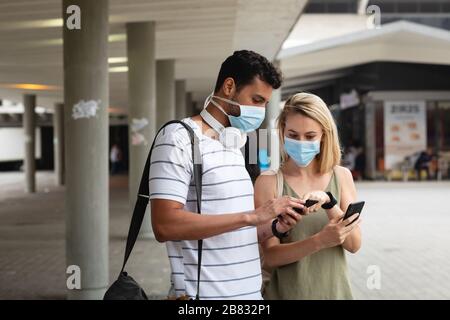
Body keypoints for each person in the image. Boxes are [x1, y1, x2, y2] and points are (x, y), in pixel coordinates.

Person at [150, 50, 311, 300]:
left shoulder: (236, 145)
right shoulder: (179, 138)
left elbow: (239, 230)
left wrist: (275, 227)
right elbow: (164, 225)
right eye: (256, 99)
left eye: (265, 104)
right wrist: (252, 216)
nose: (260, 111)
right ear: (229, 86)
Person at [254, 92, 362, 300]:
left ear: (324, 135)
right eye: (293, 135)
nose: (301, 142)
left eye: (310, 136)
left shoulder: (342, 176)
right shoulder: (268, 182)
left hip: (336, 293)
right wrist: (320, 241)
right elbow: (271, 256)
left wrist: (330, 203)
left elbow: (354, 244)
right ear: (283, 131)